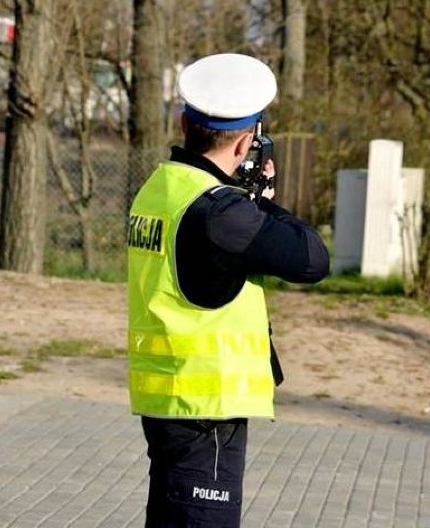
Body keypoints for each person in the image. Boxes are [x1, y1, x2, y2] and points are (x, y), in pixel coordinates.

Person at [127, 53, 330, 528]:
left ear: (184, 123)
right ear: (246, 144)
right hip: (206, 409)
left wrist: (247, 202)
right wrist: (264, 204)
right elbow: (310, 259)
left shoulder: (161, 188)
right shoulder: (222, 213)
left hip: (168, 398)